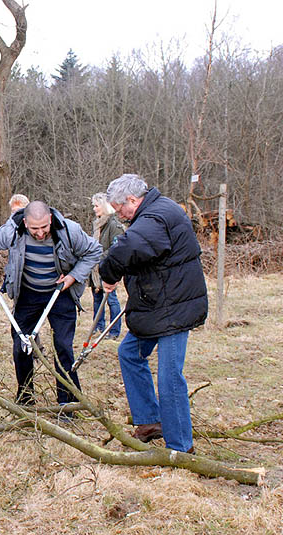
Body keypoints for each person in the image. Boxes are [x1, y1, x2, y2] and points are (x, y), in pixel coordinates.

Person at [99, 174, 207, 453]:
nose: (119, 214)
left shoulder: (156, 217)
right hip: (156, 305)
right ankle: (150, 421)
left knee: (170, 377)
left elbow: (129, 248)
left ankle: (181, 447)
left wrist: (108, 273)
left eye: (120, 208)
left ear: (133, 201)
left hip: (174, 308)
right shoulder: (153, 213)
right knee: (129, 353)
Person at [0, 201, 101, 406]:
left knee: (63, 348)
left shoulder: (69, 230)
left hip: (60, 294)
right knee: (21, 345)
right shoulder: (12, 231)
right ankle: (25, 399)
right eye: (34, 229)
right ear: (25, 222)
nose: (40, 233)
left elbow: (94, 251)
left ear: (50, 219)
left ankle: (68, 402)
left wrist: (73, 276)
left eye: (44, 227)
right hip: (28, 294)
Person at [89, 192, 124, 340]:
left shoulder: (114, 225)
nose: (94, 209)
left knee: (111, 299)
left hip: (108, 268)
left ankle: (114, 331)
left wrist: (100, 257)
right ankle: (98, 327)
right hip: (95, 269)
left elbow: (117, 248)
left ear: (104, 206)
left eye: (96, 206)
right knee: (97, 298)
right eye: (93, 206)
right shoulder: (97, 225)